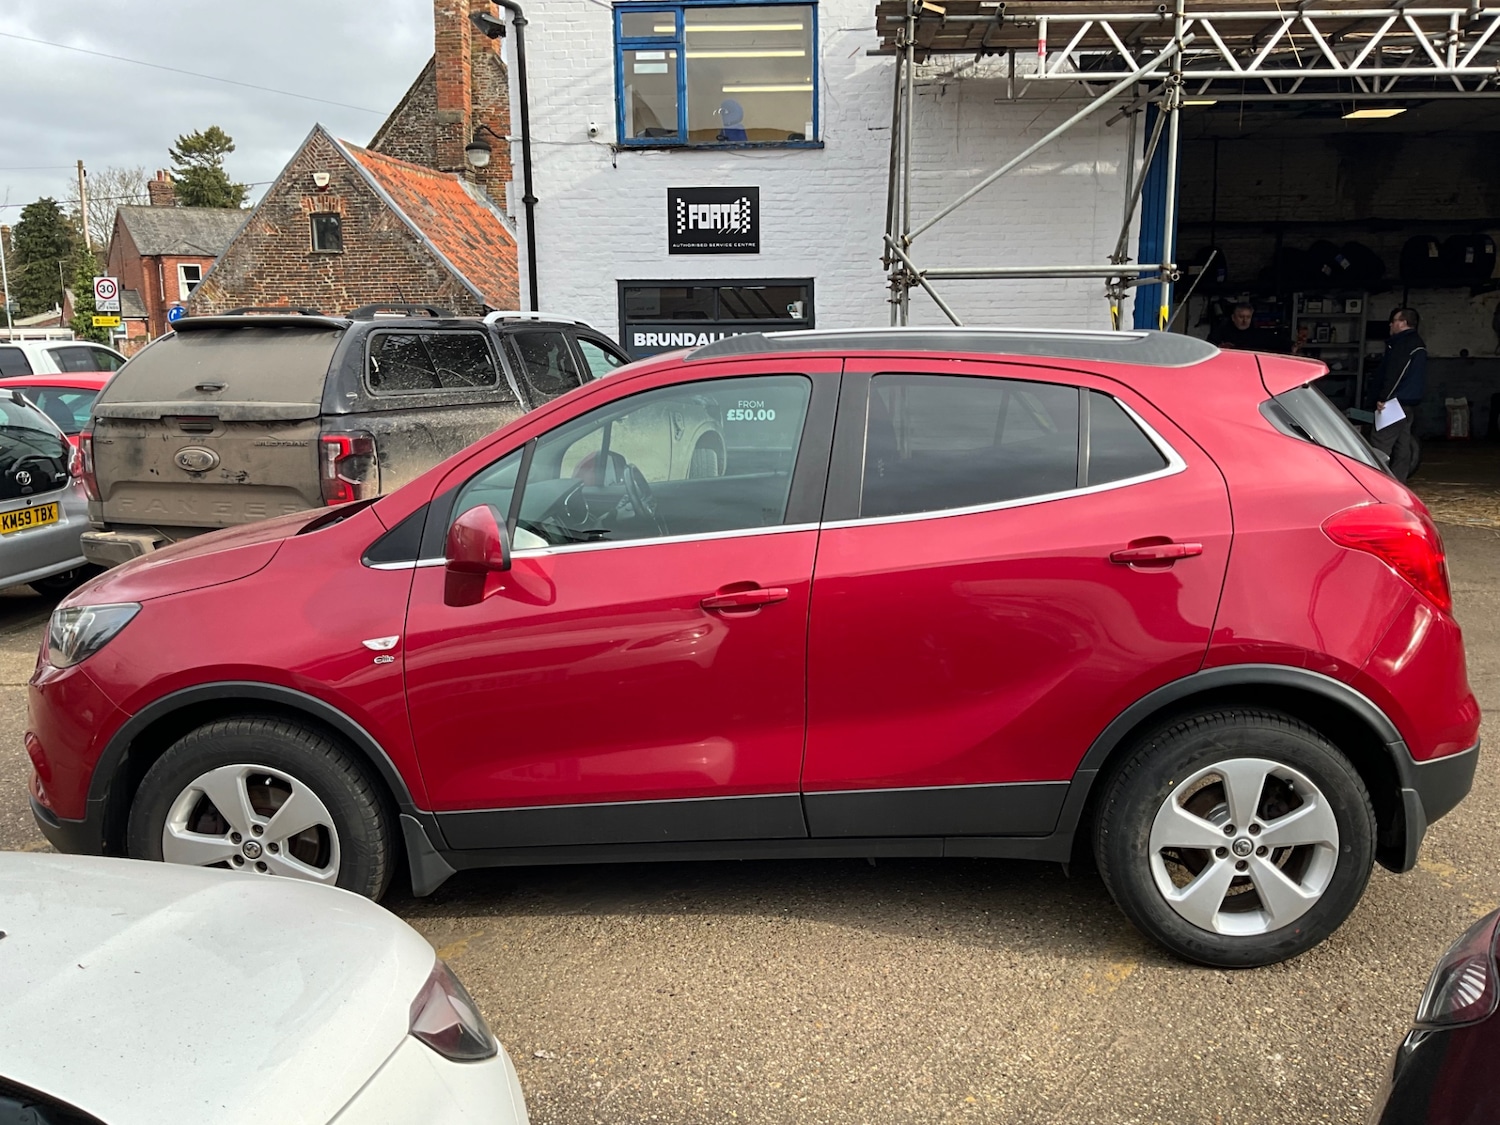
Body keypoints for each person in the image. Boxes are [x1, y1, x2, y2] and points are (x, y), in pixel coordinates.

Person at [1372, 307, 1427, 481]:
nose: (1391, 324)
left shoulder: (1403, 344)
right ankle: (1399, 482)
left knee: (1380, 442)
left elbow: (1396, 372)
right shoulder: (1418, 344)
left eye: (1395, 320)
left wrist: (1383, 397)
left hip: (1395, 401)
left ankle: (1377, 482)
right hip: (1409, 402)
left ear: (1403, 322)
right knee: (1403, 444)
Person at [1208, 302, 1279, 351]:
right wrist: (1220, 348)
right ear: (1233, 318)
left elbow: (1277, 341)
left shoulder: (1257, 334)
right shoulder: (1222, 331)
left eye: (1248, 317)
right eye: (1241, 317)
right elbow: (1208, 346)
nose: (1245, 320)